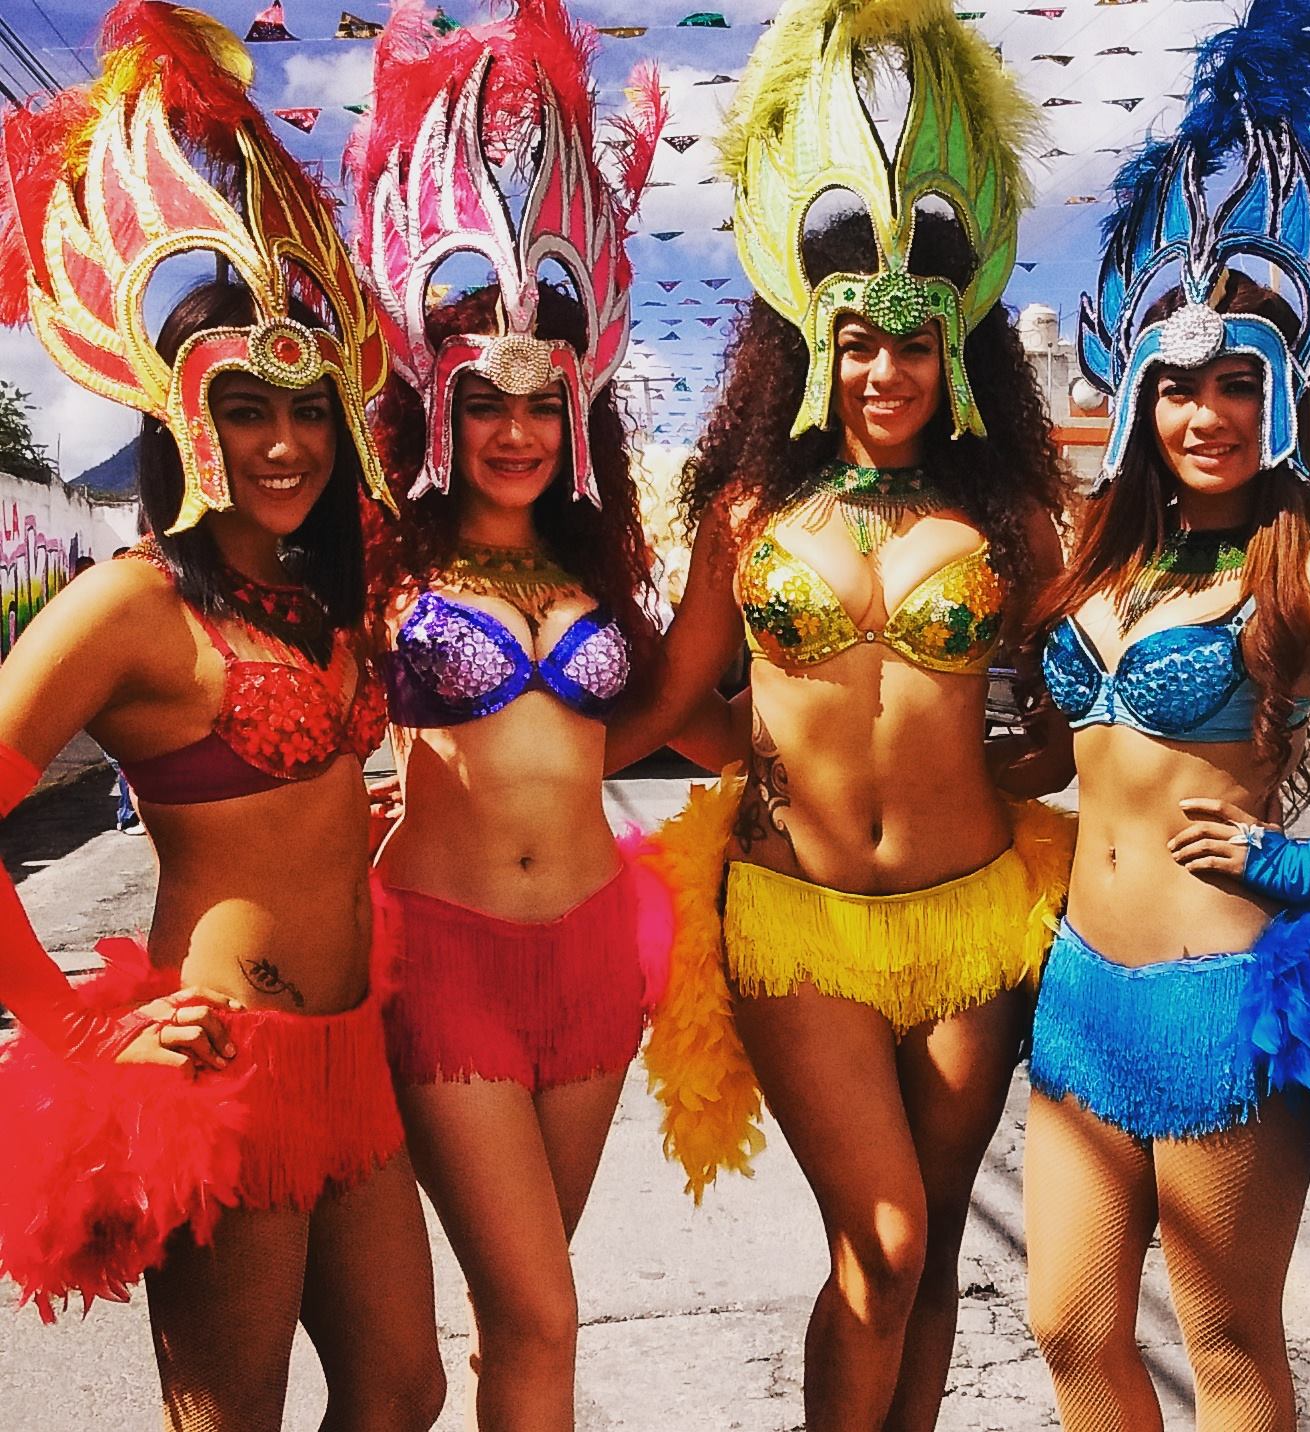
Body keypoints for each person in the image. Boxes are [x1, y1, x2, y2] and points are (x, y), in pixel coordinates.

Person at [605, 3, 1074, 1428]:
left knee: (928, 1258)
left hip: (974, 921)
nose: (886, 372)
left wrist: (1045, 750)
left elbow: (1080, 705)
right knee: (880, 1239)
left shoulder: (1010, 518)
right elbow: (670, 703)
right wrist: (480, 767)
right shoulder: (748, 511)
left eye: (914, 346)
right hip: (796, 923)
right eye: (860, 341)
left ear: (957, 351)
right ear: (813, 340)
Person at [0, 6, 443, 1428]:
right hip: (228, 1069)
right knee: (230, 1417)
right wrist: (74, 1035)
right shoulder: (128, 601)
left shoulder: (322, 596)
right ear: (183, 417)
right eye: (247, 407)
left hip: (353, 1055)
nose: (285, 443)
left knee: (403, 1390)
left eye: (309, 410)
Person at [1023, 3, 1310, 1427]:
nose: (1206, 414)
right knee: (1069, 1327)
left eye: (1237, 384)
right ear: (1140, 395)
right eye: (1181, 386)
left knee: (1228, 1340)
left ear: (1283, 396)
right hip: (1081, 990)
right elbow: (1071, 747)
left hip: (1229, 1003)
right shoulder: (1100, 562)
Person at [347, 4, 681, 1426]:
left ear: (578, 414)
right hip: (448, 961)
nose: (518, 430)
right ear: (442, 404)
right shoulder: (380, 564)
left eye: (545, 406)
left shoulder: (597, 572)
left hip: (598, 957)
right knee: (543, 1308)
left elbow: (664, 717)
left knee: (522, 1322)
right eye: (487, 400)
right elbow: (296, 707)